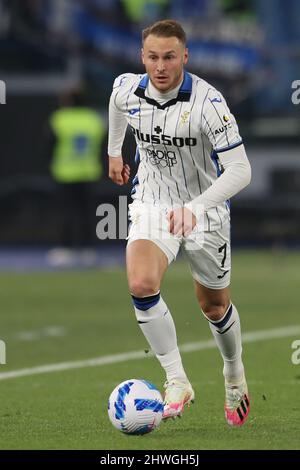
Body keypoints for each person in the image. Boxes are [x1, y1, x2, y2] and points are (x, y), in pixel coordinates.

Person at [108, 19, 251, 426]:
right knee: (141, 284)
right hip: (152, 202)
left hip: (204, 210)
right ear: (142, 57)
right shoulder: (128, 88)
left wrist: (197, 207)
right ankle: (176, 379)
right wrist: (114, 152)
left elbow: (241, 171)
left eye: (169, 56)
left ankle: (233, 372)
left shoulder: (208, 103)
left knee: (213, 305)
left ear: (184, 57)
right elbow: (115, 105)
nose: (160, 66)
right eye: (152, 57)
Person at [47, 86, 106, 251]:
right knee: (86, 212)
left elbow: (49, 146)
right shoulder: (94, 119)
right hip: (89, 172)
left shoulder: (59, 118)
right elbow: (103, 146)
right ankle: (88, 248)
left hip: (64, 173)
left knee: (66, 212)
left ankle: (65, 247)